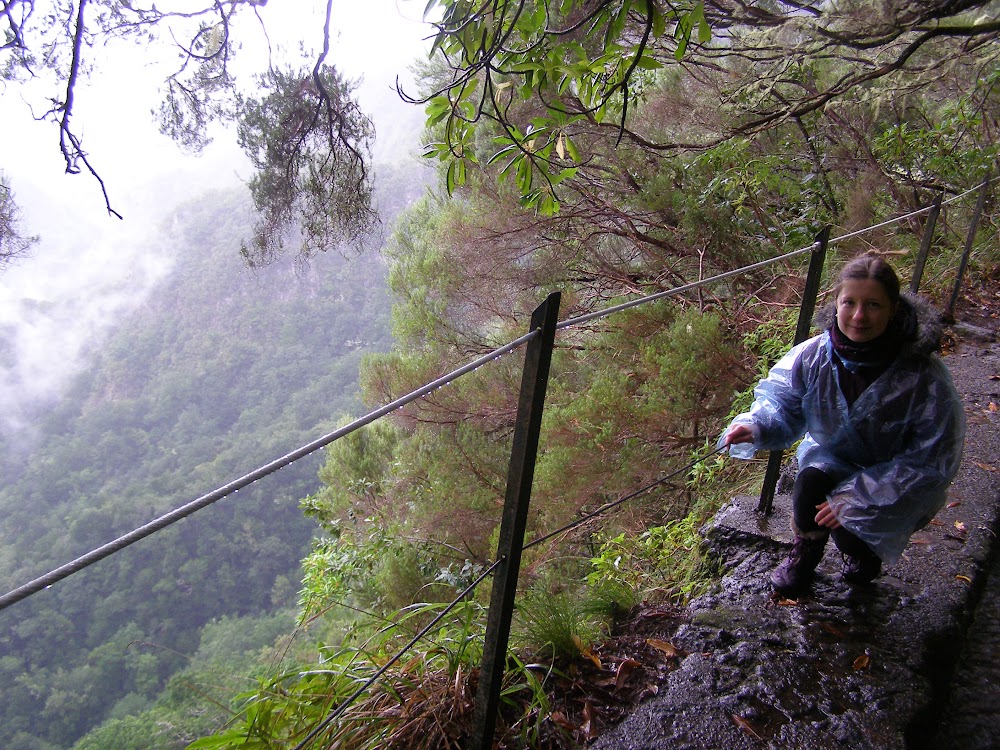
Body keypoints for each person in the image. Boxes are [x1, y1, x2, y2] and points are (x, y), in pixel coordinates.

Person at [720, 252, 965, 596]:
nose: (859, 315)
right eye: (849, 302)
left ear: (894, 308)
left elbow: (931, 460)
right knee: (810, 480)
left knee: (853, 527)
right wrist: (756, 426)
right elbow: (782, 403)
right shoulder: (814, 355)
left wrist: (859, 498)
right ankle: (805, 553)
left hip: (892, 479)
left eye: (873, 305)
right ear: (835, 303)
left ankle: (862, 554)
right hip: (833, 458)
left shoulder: (923, 376)